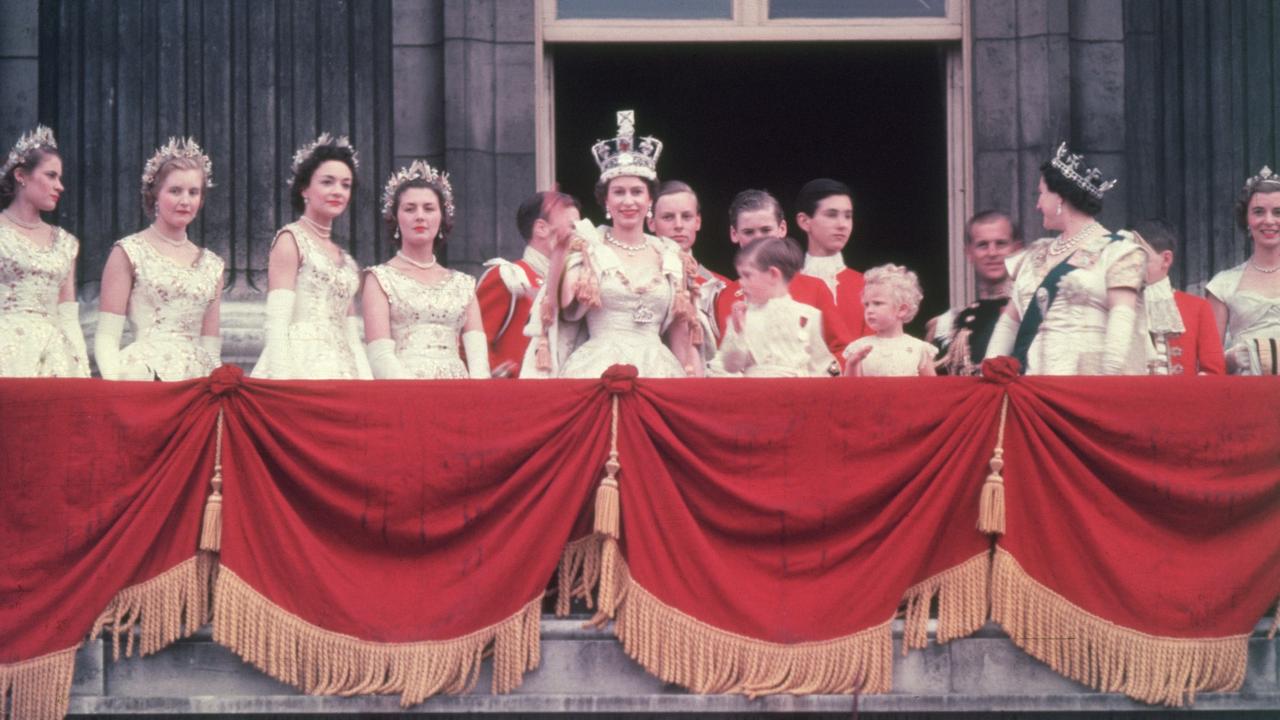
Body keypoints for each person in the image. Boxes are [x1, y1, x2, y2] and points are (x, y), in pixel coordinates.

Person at [523, 110, 697, 378]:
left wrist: (690, 382)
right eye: (619, 192)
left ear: (650, 200)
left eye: (637, 192)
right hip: (596, 369)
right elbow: (562, 305)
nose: (628, 201)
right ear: (606, 201)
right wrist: (559, 252)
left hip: (659, 370)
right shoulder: (588, 247)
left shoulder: (670, 255)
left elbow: (679, 333)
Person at [985, 142, 1148, 375]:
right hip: (1032, 385)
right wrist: (989, 372)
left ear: (1060, 198)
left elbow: (1121, 322)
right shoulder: (1034, 255)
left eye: (1041, 194)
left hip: (1086, 384)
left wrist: (1109, 384)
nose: (1037, 204)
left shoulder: (1118, 252)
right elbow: (1009, 324)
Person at [95, 138, 224, 381]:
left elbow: (211, 347)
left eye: (193, 192)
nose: (185, 201)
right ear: (154, 195)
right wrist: (114, 387)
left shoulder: (213, 265)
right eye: (175, 191)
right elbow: (106, 337)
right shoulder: (128, 251)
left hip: (198, 382)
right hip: (143, 378)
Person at [252, 133, 371, 379]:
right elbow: (277, 322)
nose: (338, 191)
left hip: (344, 368)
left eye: (345, 185)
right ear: (305, 188)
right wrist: (282, 383)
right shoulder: (290, 240)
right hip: (300, 367)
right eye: (327, 182)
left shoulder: (347, 261)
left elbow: (351, 334)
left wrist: (366, 381)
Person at [363, 160, 488, 379]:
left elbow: (478, 360)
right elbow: (379, 356)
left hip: (459, 392)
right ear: (396, 217)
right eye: (410, 209)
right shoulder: (380, 279)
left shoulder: (463, 284)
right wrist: (417, 397)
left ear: (442, 217)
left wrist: (477, 400)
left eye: (429, 208)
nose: (420, 216)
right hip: (404, 393)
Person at [713, 189, 852, 369]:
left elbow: (843, 350)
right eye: (748, 232)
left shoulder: (814, 288)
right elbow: (725, 362)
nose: (758, 239)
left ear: (782, 229)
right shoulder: (727, 297)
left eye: (766, 230)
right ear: (734, 233)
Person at [0, 125, 89, 377]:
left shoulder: (66, 243)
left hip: (56, 356)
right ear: (21, 176)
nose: (59, 186)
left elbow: (68, 315)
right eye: (51, 175)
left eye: (59, 178)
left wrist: (81, 367)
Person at [476, 191, 580, 378]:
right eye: (572, 226)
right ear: (541, 228)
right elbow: (475, 340)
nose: (578, 234)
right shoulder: (508, 276)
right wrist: (498, 370)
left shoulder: (574, 282)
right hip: (516, 393)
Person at [711, 236, 833, 377]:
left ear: (773, 274)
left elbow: (820, 366)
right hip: (755, 393)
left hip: (797, 393)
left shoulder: (808, 315)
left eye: (747, 275)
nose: (741, 283)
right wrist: (739, 333)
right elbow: (730, 366)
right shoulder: (742, 318)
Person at [1205, 166, 1280, 375]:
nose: (1269, 221)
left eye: (1278, 212)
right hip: (1246, 395)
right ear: (1247, 219)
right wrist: (1228, 359)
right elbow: (1207, 364)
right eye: (1258, 212)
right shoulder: (1223, 284)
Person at [928, 211, 1022, 375]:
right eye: (982, 245)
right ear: (969, 253)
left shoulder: (1036, 314)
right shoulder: (950, 324)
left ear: (1017, 249)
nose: (992, 253)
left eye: (1000, 243)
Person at [1132, 219, 1224, 375]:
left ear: (1166, 259)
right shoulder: (1115, 305)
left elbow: (1214, 372)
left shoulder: (1197, 307)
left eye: (1139, 257)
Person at [647, 180, 724, 360]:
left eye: (686, 217)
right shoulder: (640, 280)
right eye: (668, 217)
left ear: (697, 222)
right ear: (651, 223)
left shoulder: (720, 285)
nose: (679, 225)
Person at [795, 178, 869, 338]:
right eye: (831, 215)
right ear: (804, 221)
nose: (842, 224)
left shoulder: (868, 286)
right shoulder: (784, 284)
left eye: (848, 216)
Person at [843, 264, 936, 377]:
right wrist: (852, 364)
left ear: (902, 310)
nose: (869, 310)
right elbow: (850, 389)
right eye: (866, 305)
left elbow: (933, 388)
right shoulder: (859, 348)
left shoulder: (919, 348)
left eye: (877, 303)